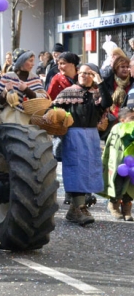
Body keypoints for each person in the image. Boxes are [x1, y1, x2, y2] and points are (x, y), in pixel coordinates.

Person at [52, 64, 112, 226]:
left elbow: (107, 102)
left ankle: (74, 210)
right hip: (73, 134)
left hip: (92, 135)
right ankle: (79, 207)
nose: (84, 75)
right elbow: (53, 110)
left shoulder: (96, 93)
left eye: (88, 73)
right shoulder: (68, 92)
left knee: (89, 170)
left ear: (94, 76)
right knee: (76, 168)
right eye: (82, 73)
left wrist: (100, 82)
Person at [0, 48, 48, 124]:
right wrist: (5, 92)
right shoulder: (7, 77)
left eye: (33, 61)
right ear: (21, 62)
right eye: (30, 61)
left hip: (31, 121)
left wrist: (27, 90)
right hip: (9, 120)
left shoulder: (34, 78)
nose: (33, 64)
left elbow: (43, 99)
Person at [98, 107, 134, 221]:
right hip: (118, 165)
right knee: (117, 186)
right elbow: (108, 146)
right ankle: (114, 205)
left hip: (131, 166)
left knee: (130, 188)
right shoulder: (116, 129)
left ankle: (127, 210)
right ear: (122, 120)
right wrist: (105, 161)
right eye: (132, 118)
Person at [99, 54, 131, 139]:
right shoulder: (108, 81)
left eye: (127, 67)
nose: (126, 69)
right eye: (122, 67)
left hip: (128, 120)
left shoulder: (132, 82)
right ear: (116, 68)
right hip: (111, 120)